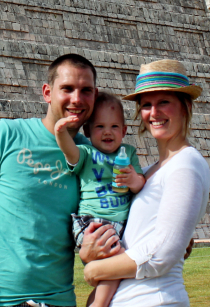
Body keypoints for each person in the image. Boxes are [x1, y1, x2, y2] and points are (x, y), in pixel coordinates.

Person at [0, 53, 99, 307]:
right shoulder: (7, 135)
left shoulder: (93, 157)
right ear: (48, 92)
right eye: (67, 89)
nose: (77, 99)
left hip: (58, 302)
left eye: (86, 90)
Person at [80, 59, 210, 307]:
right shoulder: (150, 171)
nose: (154, 113)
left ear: (185, 107)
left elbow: (160, 255)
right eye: (146, 105)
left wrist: (93, 271)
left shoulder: (186, 165)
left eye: (164, 102)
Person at [54, 92, 145, 307]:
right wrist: (61, 133)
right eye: (99, 127)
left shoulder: (129, 153)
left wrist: (133, 180)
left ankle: (94, 303)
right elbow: (69, 152)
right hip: (92, 222)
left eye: (114, 127)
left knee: (111, 275)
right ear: (87, 131)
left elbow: (140, 183)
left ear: (124, 131)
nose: (107, 132)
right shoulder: (86, 152)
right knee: (119, 264)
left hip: (118, 225)